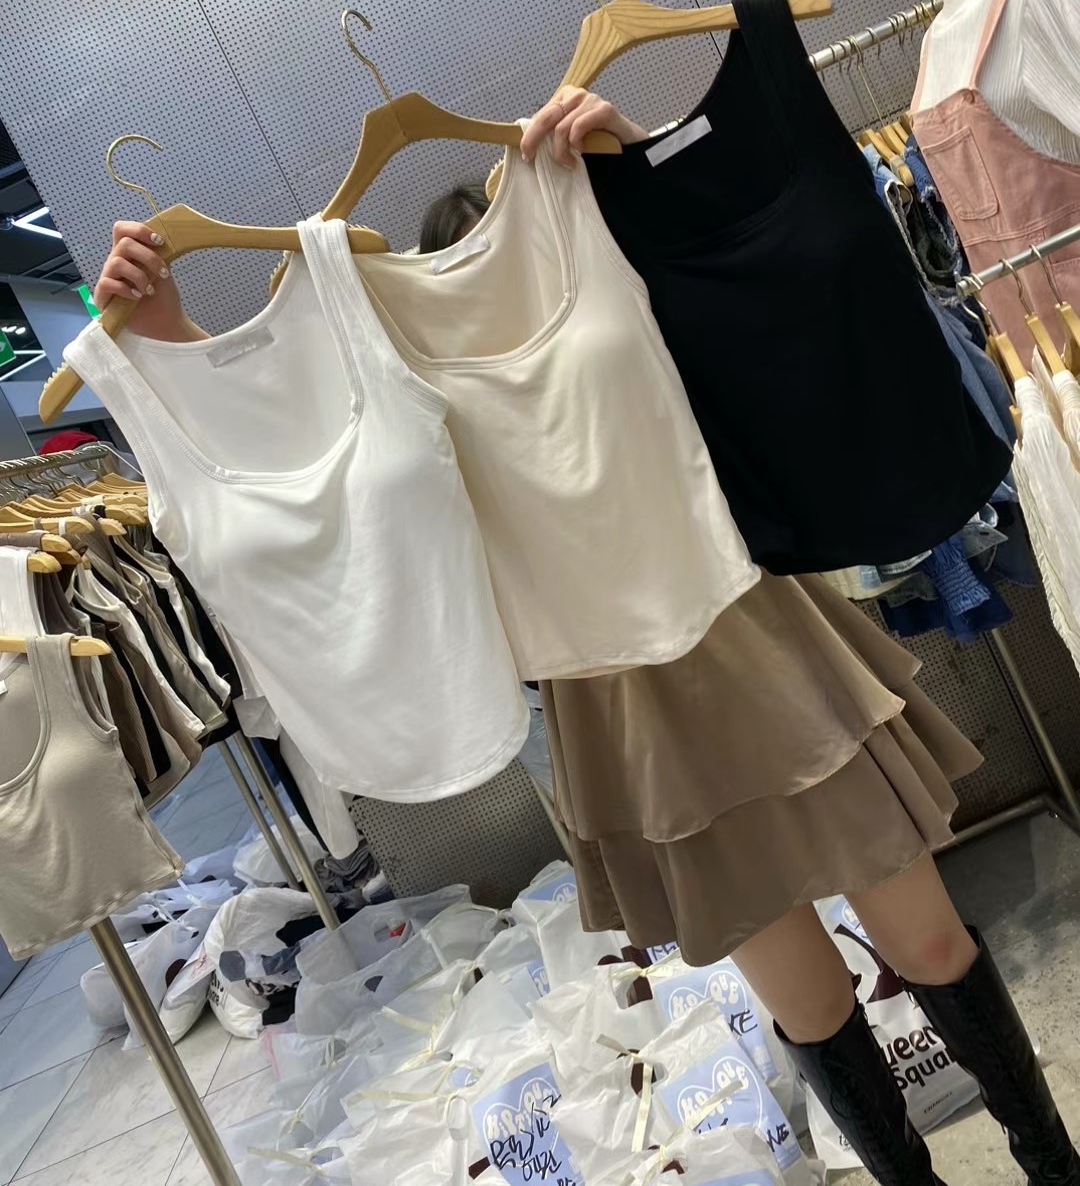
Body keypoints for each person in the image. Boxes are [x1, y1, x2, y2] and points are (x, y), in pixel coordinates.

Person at [94, 87, 1078, 1186]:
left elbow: (730, 277)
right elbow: (289, 453)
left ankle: (1051, 1159)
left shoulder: (594, 239)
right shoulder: (380, 344)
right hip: (618, 709)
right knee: (807, 1003)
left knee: (928, 940)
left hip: (753, 634)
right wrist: (170, 338)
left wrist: (630, 155)